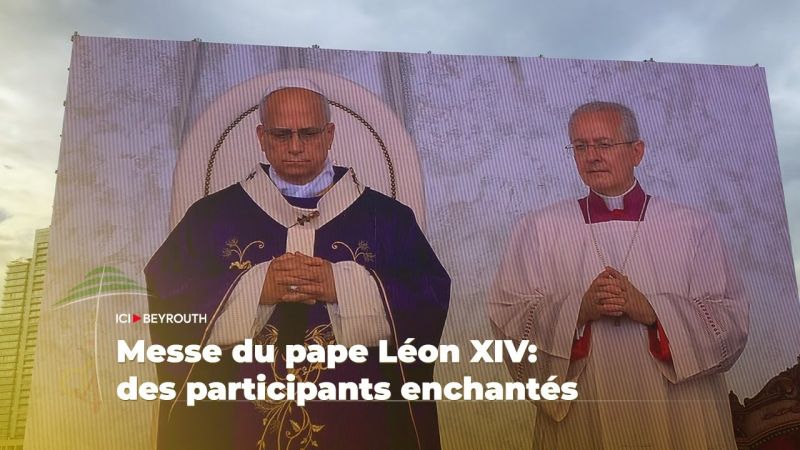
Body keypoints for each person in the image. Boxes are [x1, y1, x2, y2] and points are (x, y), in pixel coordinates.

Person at [145, 79, 450, 450]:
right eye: (280, 134)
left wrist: (345, 286)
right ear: (261, 136)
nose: (294, 146)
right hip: (236, 419)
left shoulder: (386, 219)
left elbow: (428, 296)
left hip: (358, 419)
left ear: (330, 134)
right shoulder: (212, 217)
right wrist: (254, 288)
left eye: (308, 133)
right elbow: (168, 296)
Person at [488, 101, 748, 449]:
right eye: (580, 146)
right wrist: (577, 312)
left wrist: (653, 312)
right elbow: (509, 317)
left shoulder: (691, 226)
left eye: (604, 144)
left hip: (679, 413)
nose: (591, 155)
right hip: (586, 409)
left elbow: (730, 320)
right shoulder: (539, 229)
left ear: (637, 151)